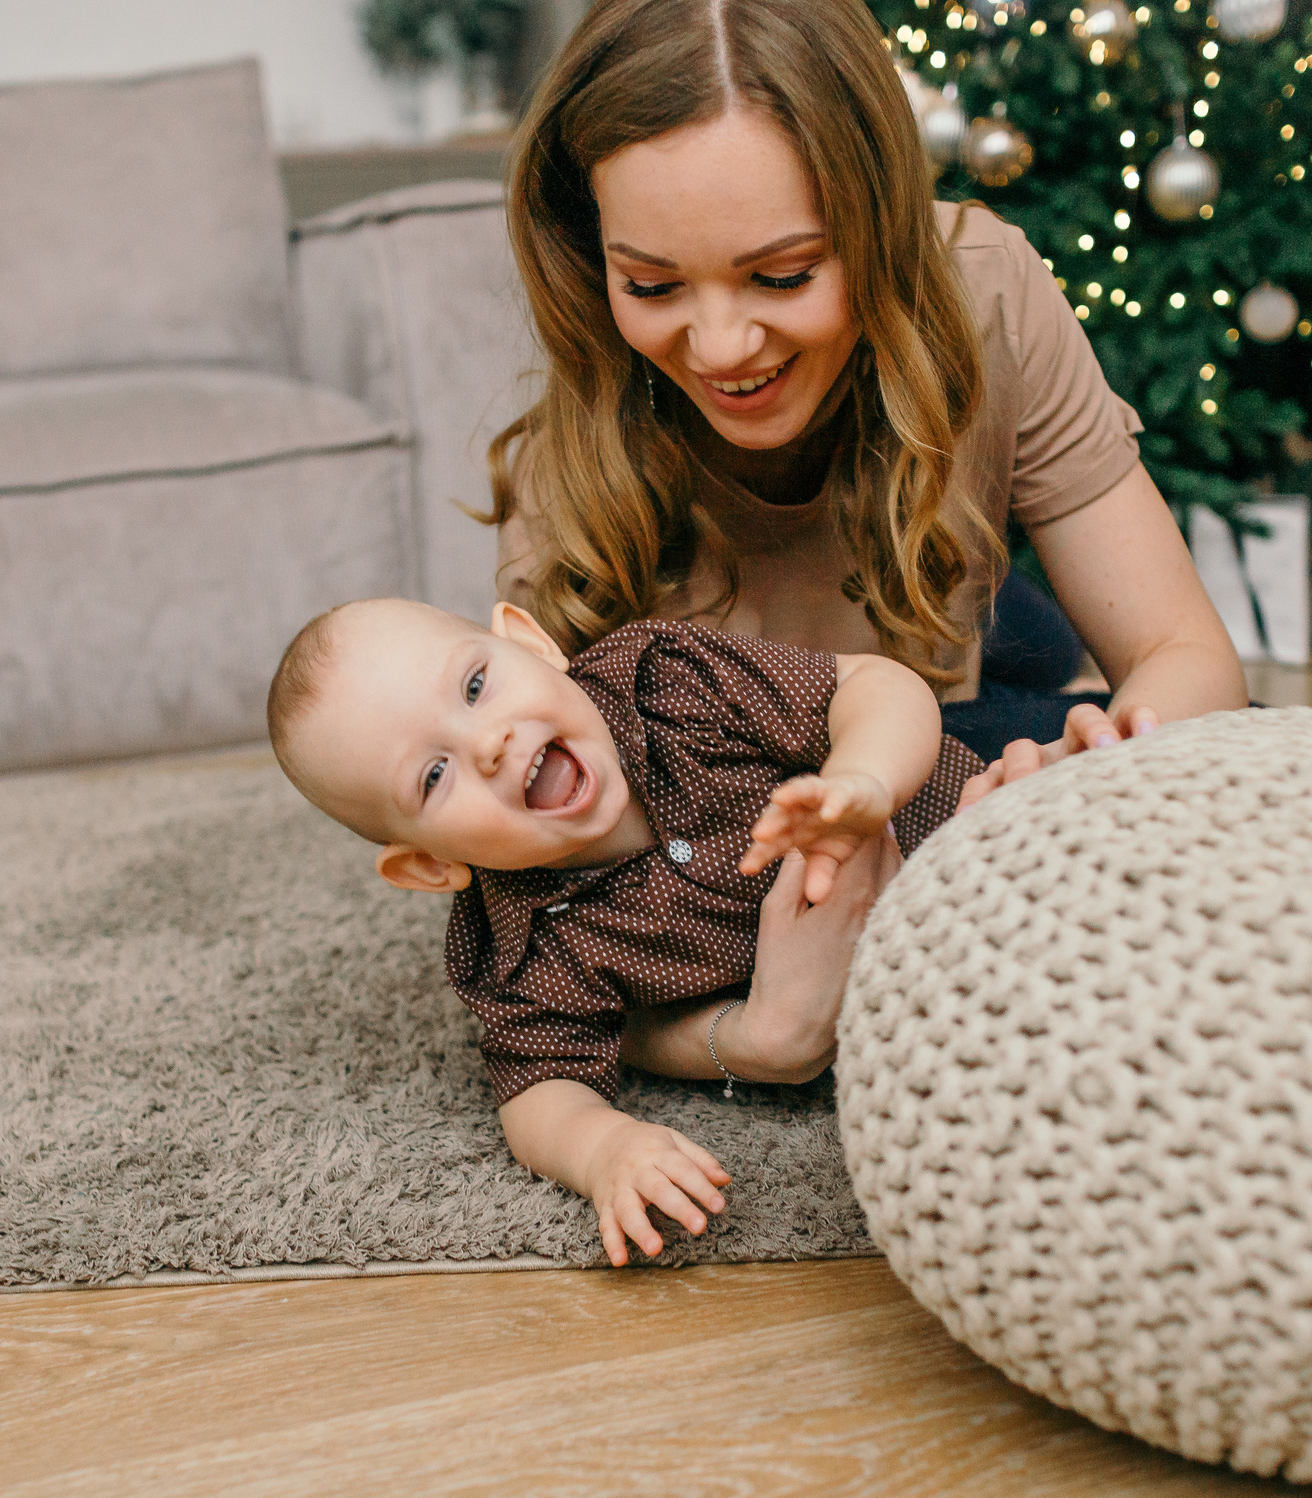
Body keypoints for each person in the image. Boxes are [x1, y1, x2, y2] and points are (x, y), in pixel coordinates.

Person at [484, 0, 1247, 1091]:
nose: (722, 347)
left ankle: (1009, 642)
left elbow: (1186, 654)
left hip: (938, 666)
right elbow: (539, 964)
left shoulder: (981, 282)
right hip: (812, 733)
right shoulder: (566, 475)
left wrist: (1086, 776)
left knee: (1186, 743)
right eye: (651, 285)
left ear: (882, 222)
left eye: (784, 274)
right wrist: (741, 1040)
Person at [265, 596, 982, 1266]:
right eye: (432, 776)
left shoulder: (666, 681)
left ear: (531, 642)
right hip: (916, 1006)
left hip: (971, 835)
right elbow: (537, 1091)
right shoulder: (527, 949)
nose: (487, 742)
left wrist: (864, 776)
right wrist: (605, 1147)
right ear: (428, 863)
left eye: (477, 686)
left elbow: (870, 685)